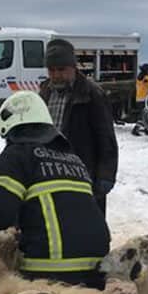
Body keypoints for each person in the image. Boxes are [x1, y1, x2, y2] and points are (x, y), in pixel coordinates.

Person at [0, 91, 110, 288]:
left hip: (53, 269)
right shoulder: (73, 158)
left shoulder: (17, 154)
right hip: (98, 270)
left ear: (12, 128)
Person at [39, 37, 118, 216]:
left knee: (87, 228)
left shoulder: (92, 94)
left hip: (83, 175)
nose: (56, 75)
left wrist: (105, 176)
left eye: (61, 69)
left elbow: (106, 138)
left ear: (73, 67)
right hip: (50, 174)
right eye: (52, 70)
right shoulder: (44, 92)